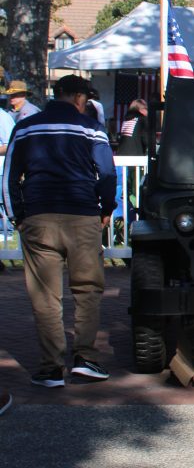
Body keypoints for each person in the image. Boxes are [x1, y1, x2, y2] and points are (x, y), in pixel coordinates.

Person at [3, 75, 116, 387]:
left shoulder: (25, 127)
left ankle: (51, 368)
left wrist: (18, 218)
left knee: (45, 297)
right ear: (78, 97)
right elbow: (106, 173)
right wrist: (106, 208)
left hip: (39, 217)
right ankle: (86, 359)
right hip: (82, 215)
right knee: (88, 291)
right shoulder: (91, 129)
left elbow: (10, 175)